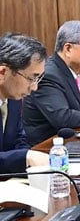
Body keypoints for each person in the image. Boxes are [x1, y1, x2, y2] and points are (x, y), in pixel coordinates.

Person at [0, 33, 50, 172]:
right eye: (31, 78)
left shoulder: (13, 99)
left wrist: (30, 165)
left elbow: (19, 139)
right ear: (3, 72)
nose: (35, 87)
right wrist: (24, 157)